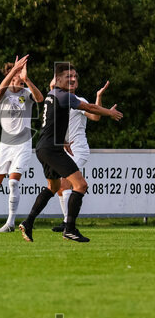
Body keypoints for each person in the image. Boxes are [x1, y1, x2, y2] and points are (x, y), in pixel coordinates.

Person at [19, 61, 123, 243]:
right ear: (57, 79)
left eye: (75, 76)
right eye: (68, 76)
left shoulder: (52, 94)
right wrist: (109, 112)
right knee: (81, 185)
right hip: (52, 149)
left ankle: (28, 223)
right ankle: (70, 228)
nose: (73, 79)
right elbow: (90, 109)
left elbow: (53, 121)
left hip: (44, 147)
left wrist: (63, 140)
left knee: (54, 187)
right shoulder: (64, 96)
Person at [0, 56, 43, 232]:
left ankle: (10, 223)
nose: (17, 82)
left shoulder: (26, 94)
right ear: (10, 77)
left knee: (13, 183)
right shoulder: (2, 94)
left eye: (20, 80)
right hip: (5, 145)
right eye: (15, 78)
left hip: (23, 145)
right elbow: (0, 89)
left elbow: (40, 99)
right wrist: (15, 70)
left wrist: (26, 79)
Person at [52, 78, 109, 233]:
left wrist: (99, 96)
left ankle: (68, 223)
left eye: (75, 80)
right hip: (65, 150)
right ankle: (66, 222)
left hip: (79, 149)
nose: (72, 81)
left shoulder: (79, 101)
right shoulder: (58, 101)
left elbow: (95, 116)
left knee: (65, 183)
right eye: (69, 79)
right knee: (59, 187)